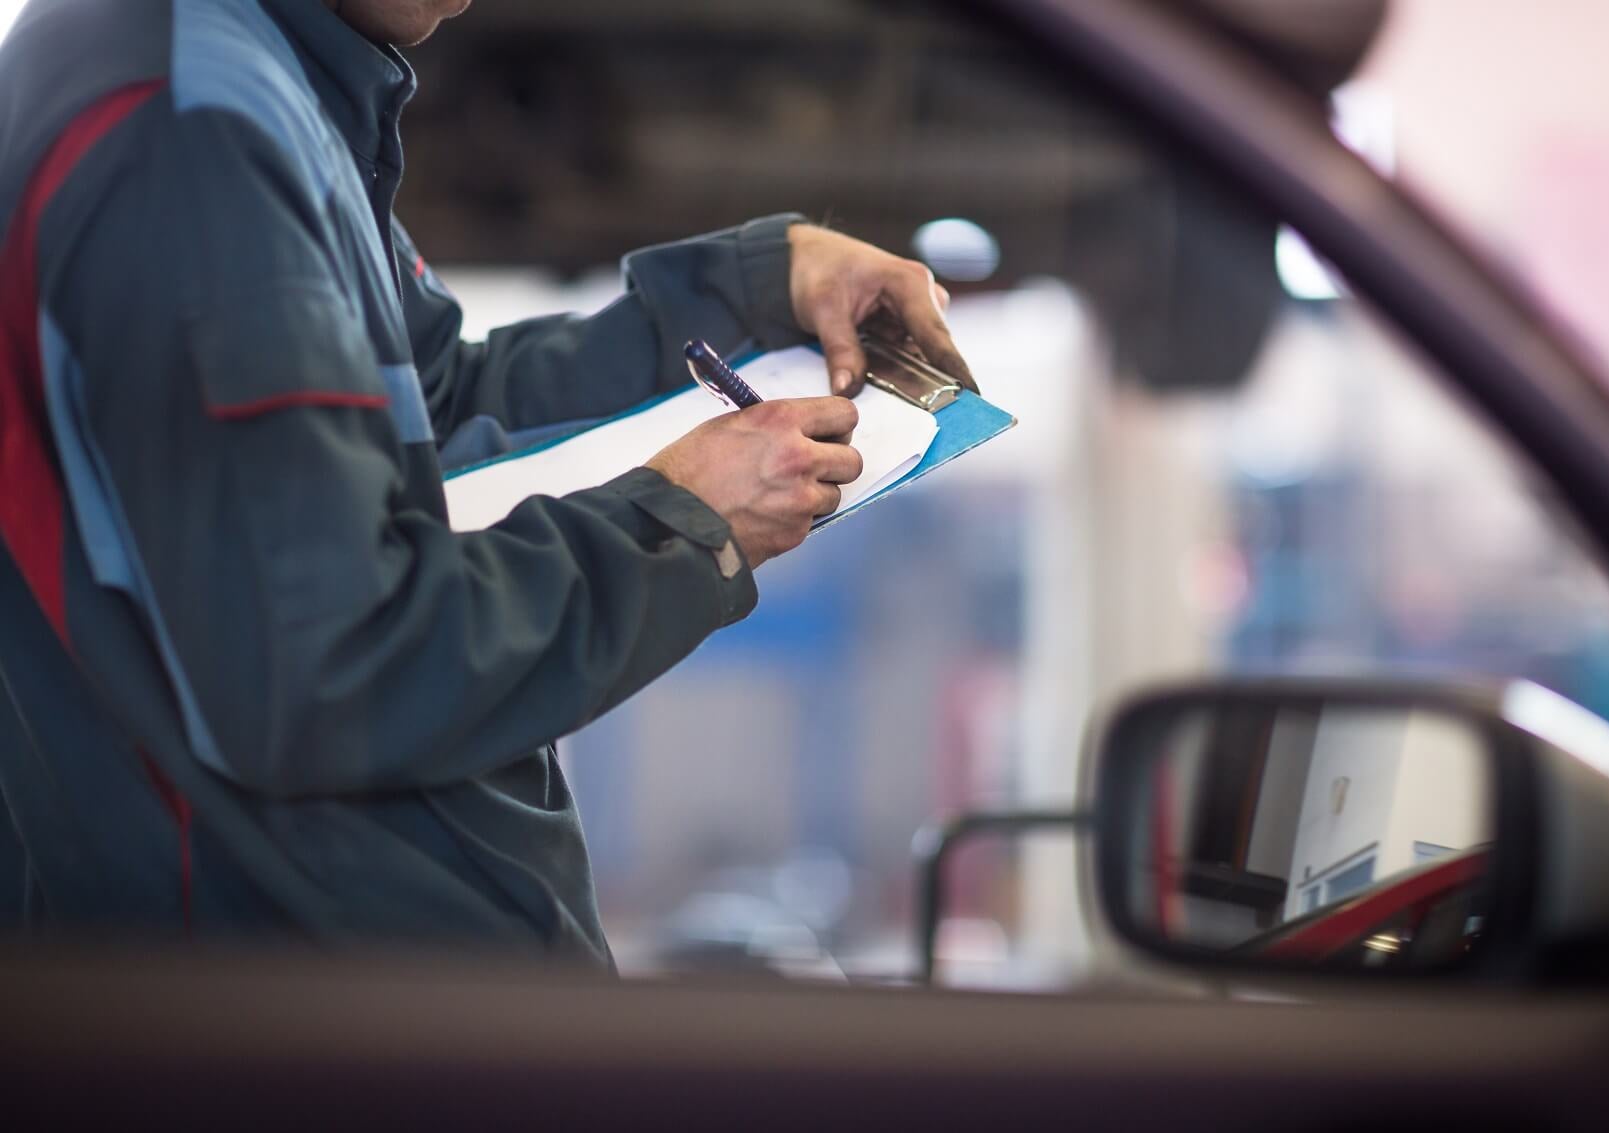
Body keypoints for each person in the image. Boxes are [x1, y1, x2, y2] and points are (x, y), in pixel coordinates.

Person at [0, 0, 973, 956]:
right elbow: (327, 667)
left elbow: (437, 414)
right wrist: (677, 524)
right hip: (304, 1029)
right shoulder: (188, 126)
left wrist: (759, 290)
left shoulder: (243, 78)